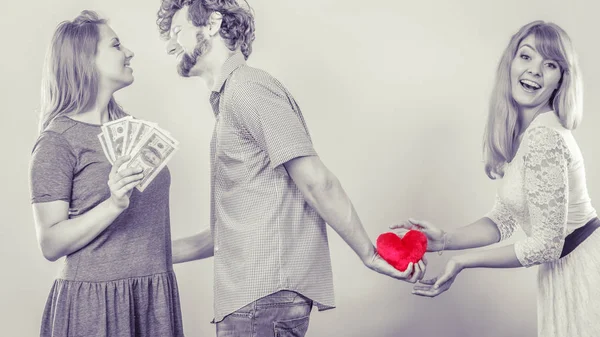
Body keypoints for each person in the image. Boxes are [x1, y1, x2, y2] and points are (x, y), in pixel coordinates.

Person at [155, 0, 426, 336]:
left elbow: (317, 182)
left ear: (211, 23)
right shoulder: (231, 100)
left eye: (178, 31)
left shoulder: (248, 88)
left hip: (262, 303)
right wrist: (143, 253)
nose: (170, 44)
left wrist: (369, 255)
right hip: (253, 303)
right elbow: (227, 234)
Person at [393, 20, 600, 337]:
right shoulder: (530, 133)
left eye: (550, 65)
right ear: (512, 62)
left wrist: (463, 261)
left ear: (561, 80)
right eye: (527, 56)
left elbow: (546, 245)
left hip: (583, 271)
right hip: (566, 271)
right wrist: (446, 240)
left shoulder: (544, 136)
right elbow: (504, 218)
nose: (534, 71)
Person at [29, 10, 184, 336]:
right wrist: (113, 204)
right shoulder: (57, 141)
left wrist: (223, 239)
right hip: (95, 305)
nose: (129, 52)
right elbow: (50, 243)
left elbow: (144, 238)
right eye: (115, 45)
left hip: (152, 299)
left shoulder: (131, 131)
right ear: (86, 61)